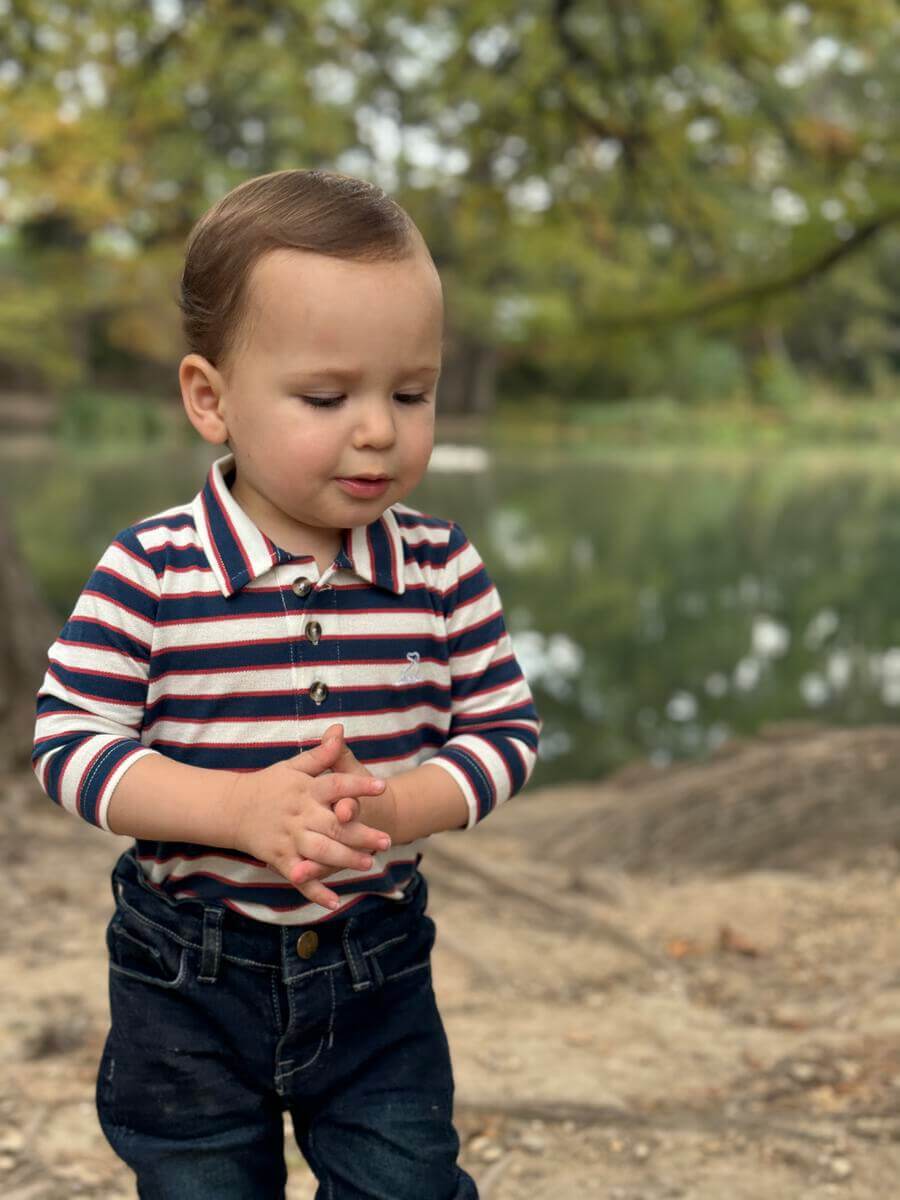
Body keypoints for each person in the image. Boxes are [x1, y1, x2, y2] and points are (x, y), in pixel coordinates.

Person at [31, 168, 541, 1199]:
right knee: (202, 1181)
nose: (378, 430)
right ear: (210, 400)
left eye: (411, 393)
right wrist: (233, 808)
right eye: (326, 397)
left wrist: (401, 803)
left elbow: (504, 734)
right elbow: (71, 745)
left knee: (404, 1179)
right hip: (186, 970)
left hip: (374, 962)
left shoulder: (439, 570)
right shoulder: (153, 570)